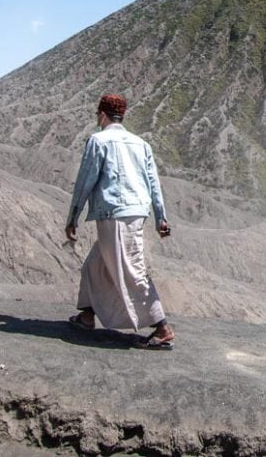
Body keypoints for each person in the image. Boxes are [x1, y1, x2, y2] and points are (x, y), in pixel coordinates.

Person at [65, 93, 175, 349]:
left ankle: (162, 327)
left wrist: (73, 217)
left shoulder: (98, 141)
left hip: (114, 214)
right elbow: (153, 183)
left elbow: (85, 181)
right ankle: (87, 315)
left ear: (102, 114)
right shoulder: (140, 143)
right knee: (95, 266)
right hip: (135, 213)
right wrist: (161, 217)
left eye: (97, 115)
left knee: (131, 270)